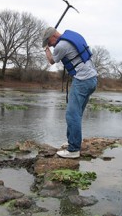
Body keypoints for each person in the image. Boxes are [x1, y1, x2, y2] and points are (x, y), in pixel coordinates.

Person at [42, 27, 98, 158]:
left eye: (49, 42)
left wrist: (46, 50)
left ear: (53, 36)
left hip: (82, 81)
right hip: (92, 79)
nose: (50, 45)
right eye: (48, 44)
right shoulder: (73, 36)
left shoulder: (61, 46)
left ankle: (73, 149)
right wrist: (48, 45)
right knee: (76, 114)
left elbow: (51, 61)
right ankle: (72, 142)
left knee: (72, 115)